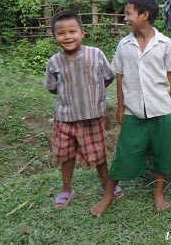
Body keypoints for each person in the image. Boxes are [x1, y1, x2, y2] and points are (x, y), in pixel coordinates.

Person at [91, 0, 171, 217]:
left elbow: (170, 75)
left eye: (128, 13)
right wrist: (121, 107)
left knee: (162, 152)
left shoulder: (164, 44)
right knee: (125, 152)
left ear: (144, 15)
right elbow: (120, 77)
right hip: (133, 110)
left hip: (160, 109)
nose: (125, 18)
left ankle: (158, 192)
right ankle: (108, 195)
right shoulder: (124, 45)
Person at [45, 11, 120, 209]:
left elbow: (108, 77)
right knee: (66, 155)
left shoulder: (95, 54)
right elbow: (53, 88)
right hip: (65, 118)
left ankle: (106, 185)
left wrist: (91, 95)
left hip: (92, 117)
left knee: (99, 154)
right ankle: (66, 188)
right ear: (54, 37)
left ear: (82, 33)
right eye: (61, 33)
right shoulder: (54, 62)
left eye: (72, 31)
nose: (67, 36)